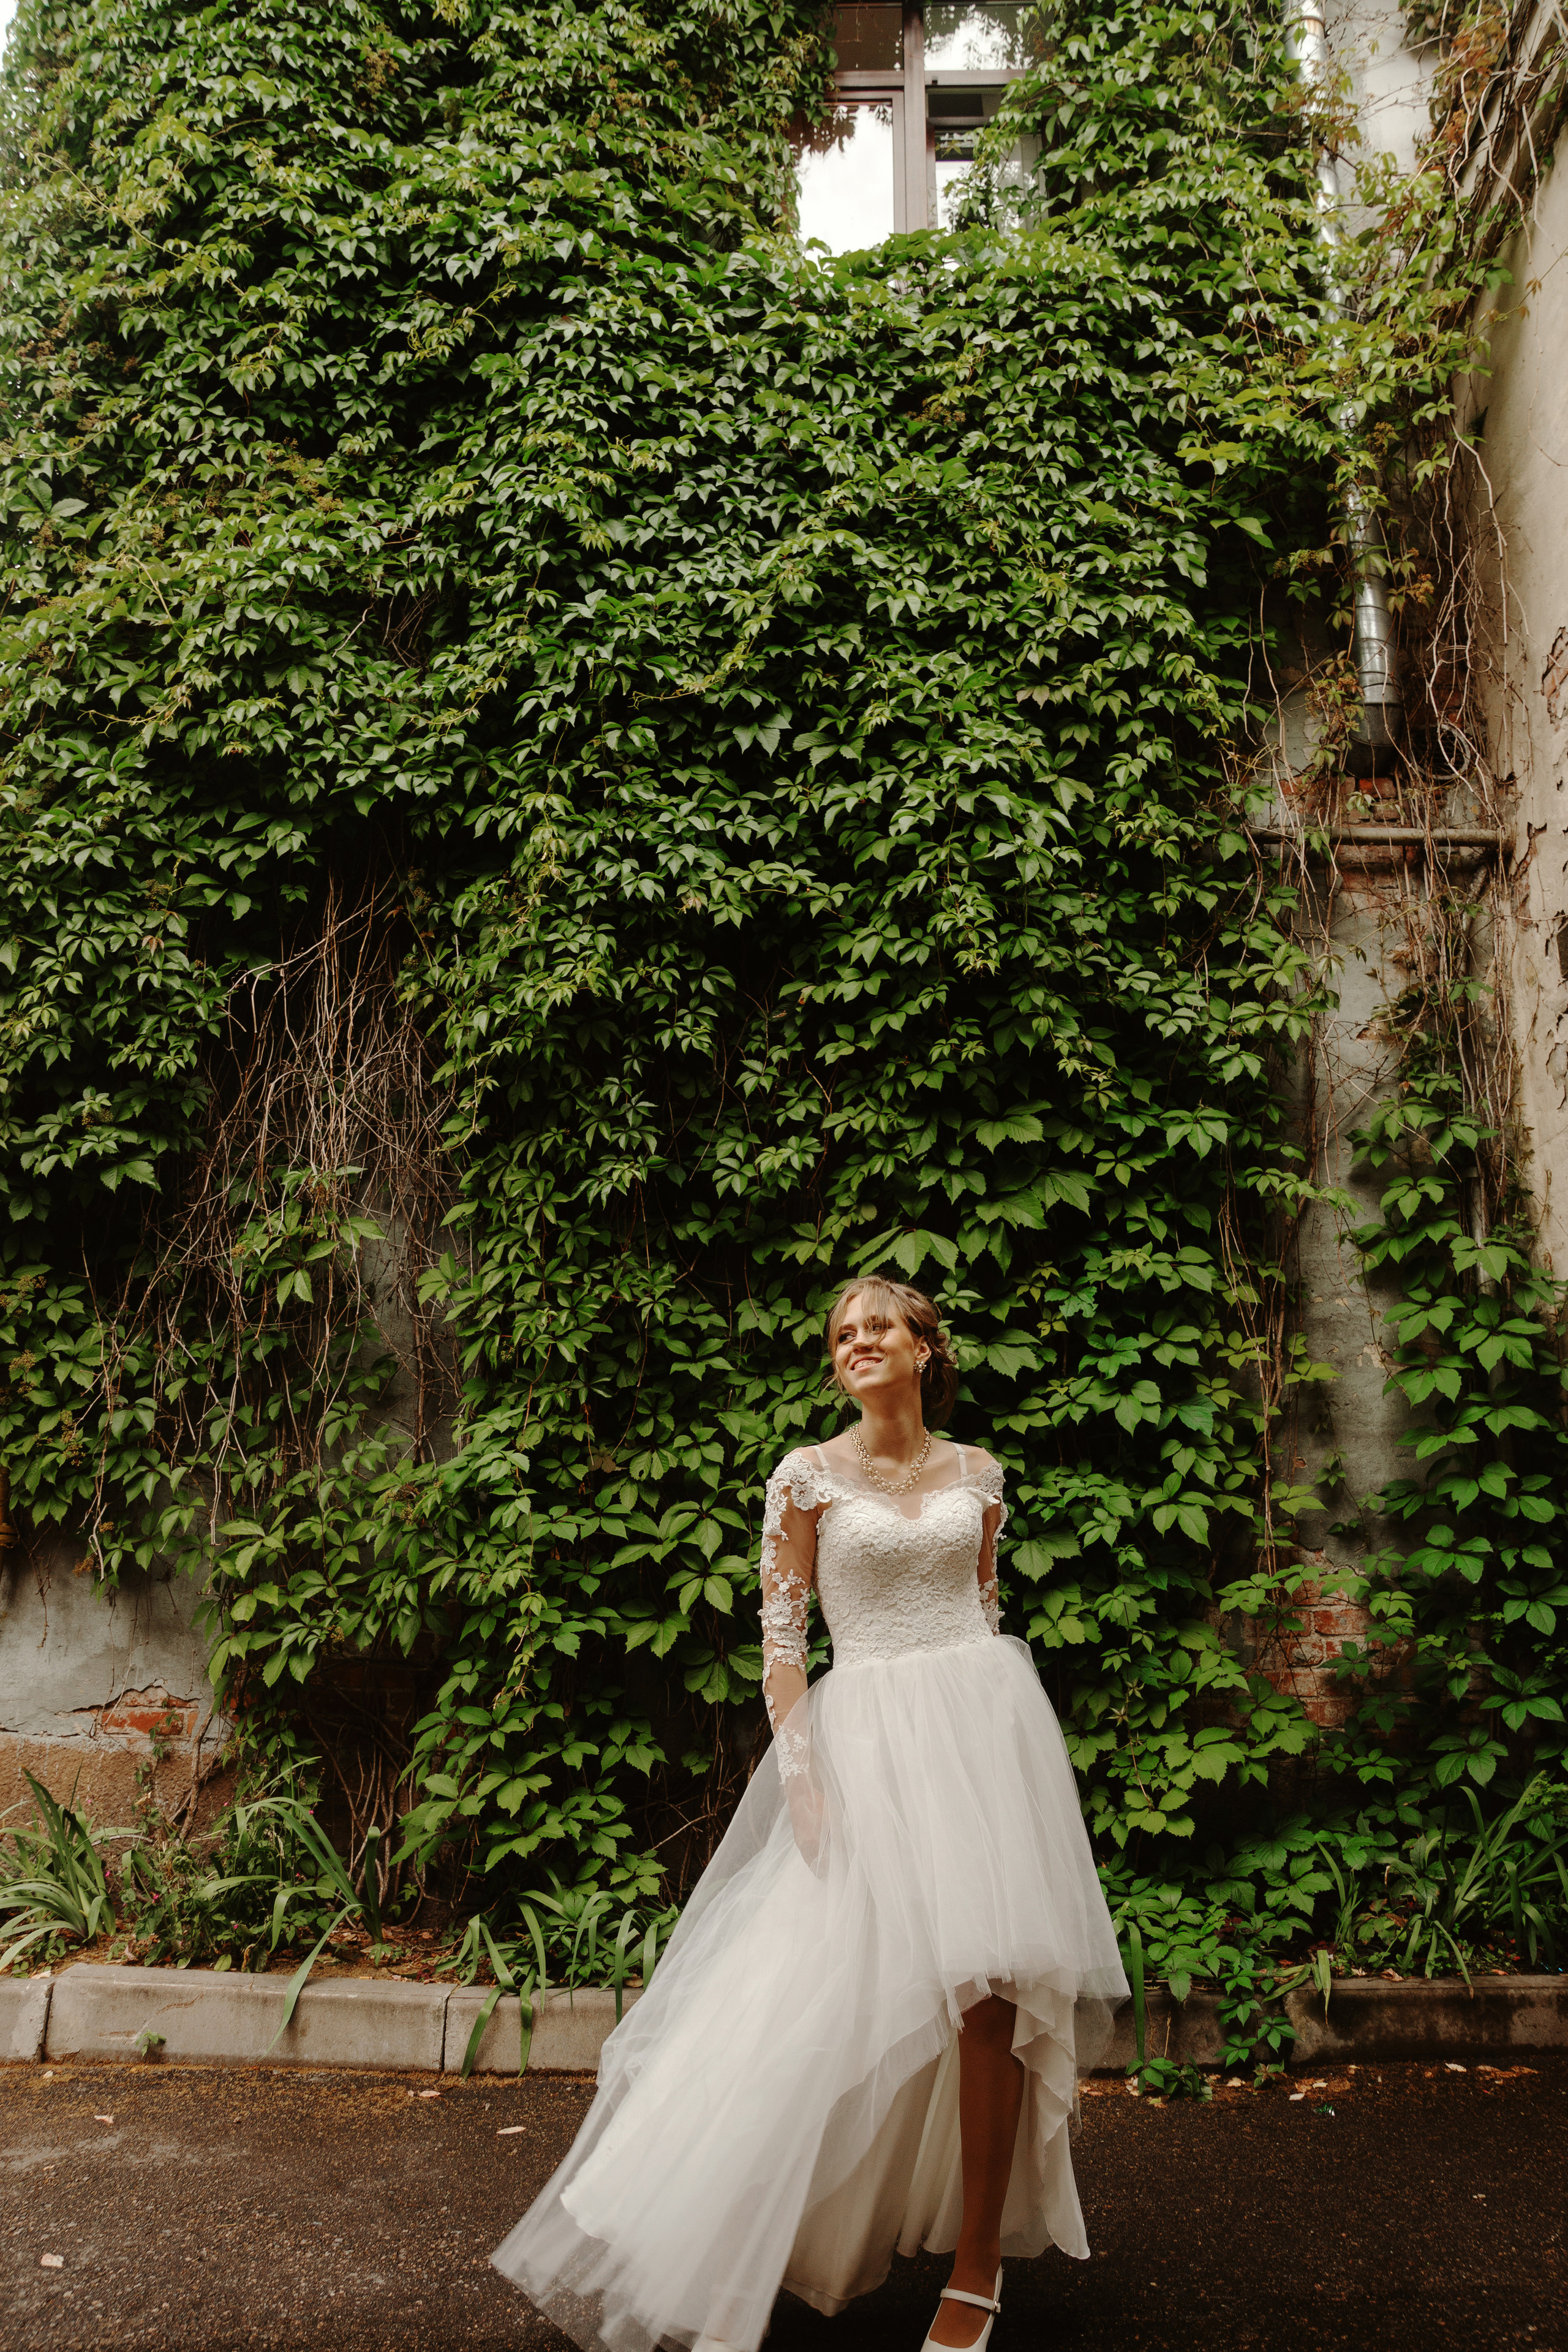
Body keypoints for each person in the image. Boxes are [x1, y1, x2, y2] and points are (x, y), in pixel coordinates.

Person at [492, 1276, 1127, 2352]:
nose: (857, 1341)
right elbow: (783, 1646)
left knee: (994, 1993)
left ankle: (975, 2273)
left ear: (925, 1347)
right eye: (842, 1333)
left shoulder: (981, 1474)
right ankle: (721, 2224)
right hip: (864, 1741)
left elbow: (982, 1608)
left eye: (878, 1325)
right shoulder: (807, 1477)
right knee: (816, 2002)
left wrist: (989, 1738)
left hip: (981, 1732)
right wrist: (805, 1779)